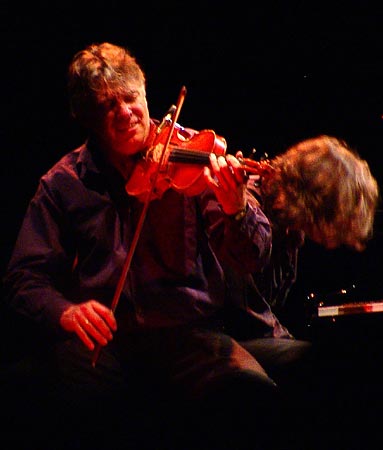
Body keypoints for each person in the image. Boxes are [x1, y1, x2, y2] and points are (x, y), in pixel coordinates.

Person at [1, 42, 282, 450]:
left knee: (248, 394)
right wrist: (66, 312)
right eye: (106, 106)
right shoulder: (63, 183)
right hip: (109, 346)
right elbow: (23, 278)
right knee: (45, 400)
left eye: (131, 97)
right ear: (87, 119)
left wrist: (237, 207)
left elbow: (253, 257)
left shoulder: (193, 155)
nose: (125, 113)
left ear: (146, 94)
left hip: (192, 336)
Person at [221, 135, 380, 446]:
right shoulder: (250, 207)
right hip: (218, 339)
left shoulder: (290, 225)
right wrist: (284, 336)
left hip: (248, 334)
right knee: (320, 366)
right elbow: (243, 309)